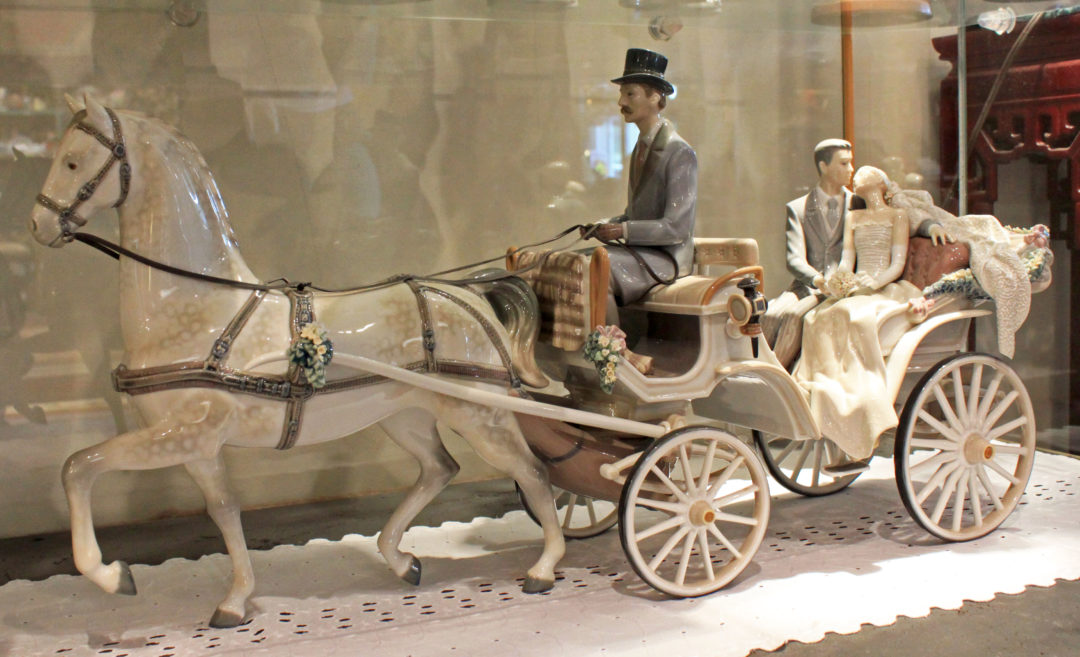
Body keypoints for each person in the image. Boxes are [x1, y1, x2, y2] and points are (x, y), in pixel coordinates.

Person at [763, 140, 952, 369]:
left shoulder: (858, 202)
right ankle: (766, 369)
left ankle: (780, 373)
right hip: (812, 284)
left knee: (799, 318)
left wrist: (930, 226)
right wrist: (821, 280)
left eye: (851, 163)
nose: (852, 170)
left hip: (858, 286)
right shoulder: (799, 208)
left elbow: (905, 215)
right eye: (844, 164)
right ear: (824, 166)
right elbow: (795, 258)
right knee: (772, 315)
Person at [791, 166, 933, 469]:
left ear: (880, 183)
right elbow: (847, 260)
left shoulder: (897, 216)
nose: (856, 175)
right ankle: (825, 386)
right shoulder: (853, 217)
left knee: (854, 317)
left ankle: (863, 398)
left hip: (884, 286)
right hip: (859, 285)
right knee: (816, 317)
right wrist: (838, 280)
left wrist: (874, 283)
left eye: (864, 173)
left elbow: (897, 263)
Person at [581, 48, 698, 373]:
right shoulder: (642, 147)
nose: (621, 102)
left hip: (667, 258)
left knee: (598, 268)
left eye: (630, 93)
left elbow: (676, 228)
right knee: (578, 261)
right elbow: (636, 213)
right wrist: (607, 225)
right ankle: (585, 348)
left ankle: (617, 355)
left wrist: (623, 230)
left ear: (655, 96)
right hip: (643, 252)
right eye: (622, 94)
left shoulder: (679, 152)